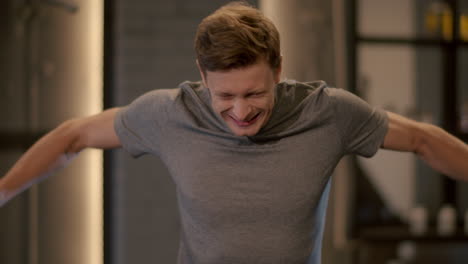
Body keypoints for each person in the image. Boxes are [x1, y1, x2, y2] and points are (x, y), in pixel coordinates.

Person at [1, 1, 467, 263]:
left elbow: (424, 140)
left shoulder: (329, 113)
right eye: (225, 97)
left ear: (279, 70)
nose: (241, 112)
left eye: (255, 94)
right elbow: (73, 136)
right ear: (202, 78)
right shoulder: (169, 114)